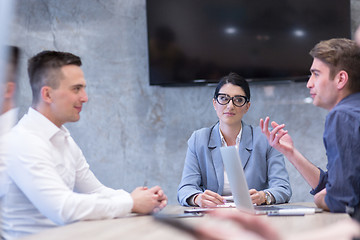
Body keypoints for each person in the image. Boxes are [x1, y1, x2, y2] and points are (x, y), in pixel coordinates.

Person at [1, 50, 167, 239]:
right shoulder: (23, 142)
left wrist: (143, 199)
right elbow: (64, 208)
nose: (85, 97)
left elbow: (96, 191)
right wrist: (130, 202)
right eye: (76, 89)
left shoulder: (64, 139)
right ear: (47, 94)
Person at [260, 38, 360, 213]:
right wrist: (290, 152)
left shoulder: (342, 115)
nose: (309, 83)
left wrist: (319, 198)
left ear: (341, 79)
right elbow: (335, 185)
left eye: (316, 74)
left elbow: (342, 201)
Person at [177, 72, 291, 208]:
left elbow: (283, 188)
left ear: (247, 107)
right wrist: (197, 198)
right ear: (214, 103)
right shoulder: (198, 139)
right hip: (212, 216)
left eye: (238, 100)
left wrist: (263, 196)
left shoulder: (265, 139)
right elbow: (185, 188)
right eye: (223, 98)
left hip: (254, 216)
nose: (230, 106)